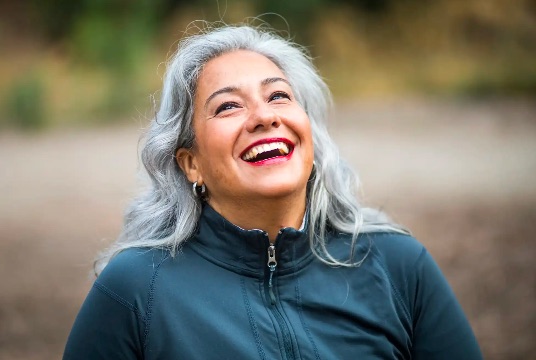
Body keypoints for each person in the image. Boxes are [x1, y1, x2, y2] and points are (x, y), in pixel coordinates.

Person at [63, 23, 482, 359]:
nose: (264, 116)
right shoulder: (136, 290)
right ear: (190, 163)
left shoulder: (399, 267)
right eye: (228, 105)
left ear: (308, 133)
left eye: (278, 95)